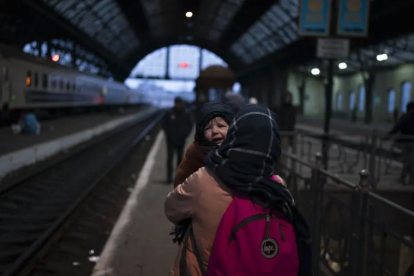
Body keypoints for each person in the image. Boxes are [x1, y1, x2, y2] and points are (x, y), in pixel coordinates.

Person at [165, 105, 312, 276]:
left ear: (235, 135)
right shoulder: (278, 187)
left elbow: (171, 209)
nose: (216, 132)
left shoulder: (205, 178)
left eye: (222, 126)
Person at [174, 101, 234, 187]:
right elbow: (179, 186)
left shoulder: (239, 150)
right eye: (208, 128)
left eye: (221, 126)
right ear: (201, 134)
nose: (215, 131)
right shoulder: (194, 154)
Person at [162, 97, 194, 183]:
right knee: (170, 159)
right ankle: (169, 178)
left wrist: (185, 135)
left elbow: (190, 125)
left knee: (180, 160)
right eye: (177, 103)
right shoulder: (169, 113)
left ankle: (179, 178)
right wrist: (169, 134)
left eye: (179, 103)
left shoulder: (187, 114)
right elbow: (164, 124)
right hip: (171, 140)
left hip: (181, 139)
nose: (178, 105)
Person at [387, 101, 414, 184]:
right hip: (411, 142)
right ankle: (408, 179)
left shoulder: (404, 117)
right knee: (410, 161)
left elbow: (397, 128)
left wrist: (388, 135)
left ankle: (406, 178)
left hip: (406, 142)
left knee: (407, 161)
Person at [272, 91, 297, 175]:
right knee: (277, 151)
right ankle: (277, 168)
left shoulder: (291, 109)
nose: (288, 99)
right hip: (278, 132)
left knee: (284, 152)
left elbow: (292, 122)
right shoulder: (278, 108)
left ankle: (282, 168)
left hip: (286, 133)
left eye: (289, 97)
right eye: (286, 97)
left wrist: (291, 137)